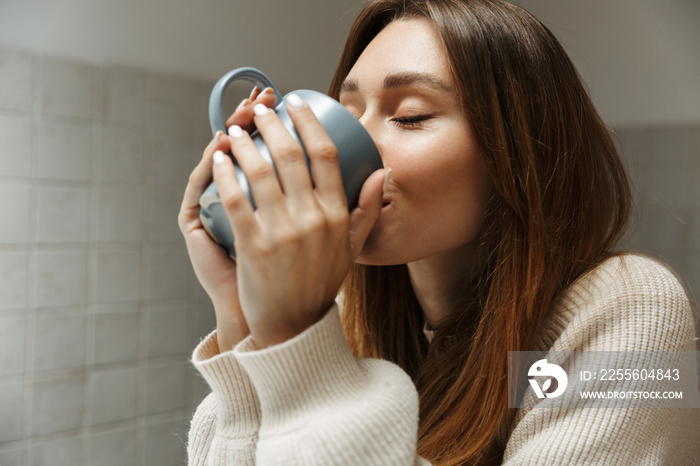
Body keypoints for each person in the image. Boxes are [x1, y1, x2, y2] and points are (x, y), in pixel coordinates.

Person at [179, 0, 699, 464]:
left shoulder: (636, 309)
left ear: (517, 156)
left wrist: (301, 348)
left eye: (410, 116)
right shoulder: (347, 311)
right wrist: (246, 324)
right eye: (346, 109)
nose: (335, 146)